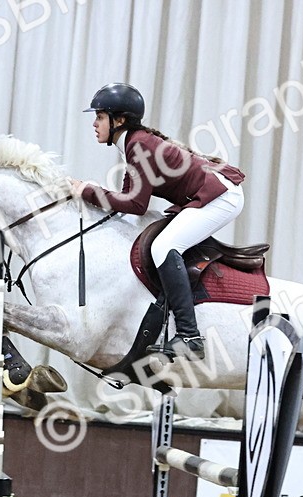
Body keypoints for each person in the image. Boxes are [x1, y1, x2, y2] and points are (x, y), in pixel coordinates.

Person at [70, 83, 245, 359]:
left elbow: (136, 205)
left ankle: (189, 335)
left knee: (163, 247)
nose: (94, 123)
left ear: (119, 120)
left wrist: (87, 190)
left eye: (100, 117)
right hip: (215, 191)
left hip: (222, 196)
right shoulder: (132, 143)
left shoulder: (138, 145)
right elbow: (130, 196)